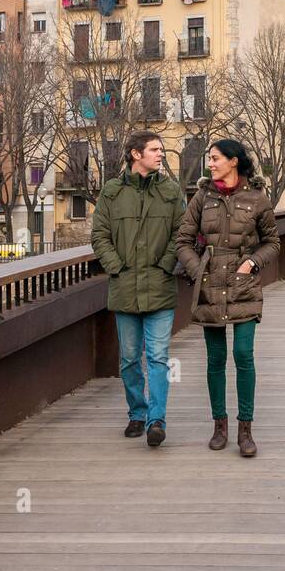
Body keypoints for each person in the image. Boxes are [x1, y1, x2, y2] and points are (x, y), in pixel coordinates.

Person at [176, 139, 279, 458]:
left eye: (215, 158)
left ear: (233, 161)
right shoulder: (202, 198)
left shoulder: (257, 198)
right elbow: (182, 241)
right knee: (215, 358)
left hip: (244, 285)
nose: (210, 163)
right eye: (210, 158)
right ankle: (219, 426)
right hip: (209, 284)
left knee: (243, 354)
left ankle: (245, 429)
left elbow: (273, 242)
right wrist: (197, 270)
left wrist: (252, 262)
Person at [91, 131, 185, 447]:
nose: (161, 154)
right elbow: (99, 235)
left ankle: (157, 420)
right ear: (135, 154)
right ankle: (137, 413)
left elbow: (181, 234)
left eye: (162, 149)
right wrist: (116, 267)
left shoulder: (171, 192)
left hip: (160, 287)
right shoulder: (112, 192)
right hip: (125, 287)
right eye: (155, 149)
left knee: (158, 356)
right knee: (130, 359)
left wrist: (165, 264)